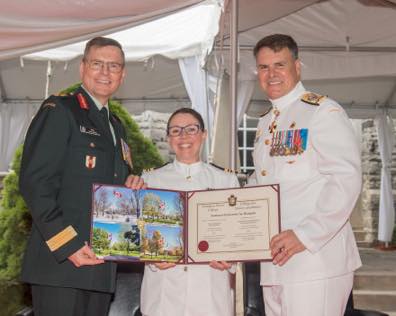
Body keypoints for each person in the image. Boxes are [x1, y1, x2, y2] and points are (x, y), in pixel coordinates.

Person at [19, 37, 144, 316]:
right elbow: (34, 183)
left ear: (122, 75)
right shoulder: (61, 110)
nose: (105, 72)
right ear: (82, 68)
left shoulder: (116, 127)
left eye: (113, 66)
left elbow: (105, 187)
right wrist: (69, 245)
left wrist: (130, 186)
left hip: (101, 266)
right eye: (97, 64)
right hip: (61, 264)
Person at [250, 34, 362, 316]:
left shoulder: (322, 111)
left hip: (314, 259)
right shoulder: (266, 122)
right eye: (264, 67)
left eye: (279, 65)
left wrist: (305, 235)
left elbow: (345, 179)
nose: (271, 74)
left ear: (297, 67)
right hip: (275, 263)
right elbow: (261, 184)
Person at [138, 108, 240, 316]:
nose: (184, 136)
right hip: (164, 293)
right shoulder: (150, 180)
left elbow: (238, 236)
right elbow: (136, 236)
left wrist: (231, 259)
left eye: (191, 129)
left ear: (204, 134)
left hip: (210, 293)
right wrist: (150, 258)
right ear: (168, 138)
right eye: (176, 131)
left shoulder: (225, 180)